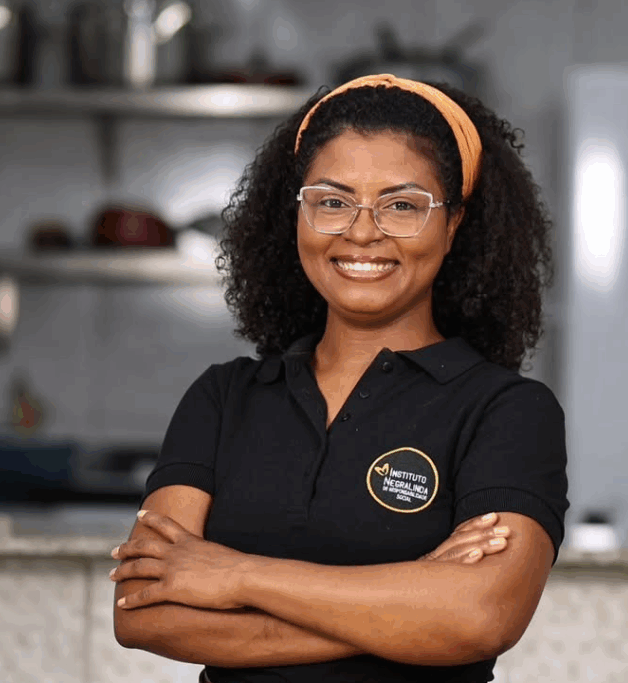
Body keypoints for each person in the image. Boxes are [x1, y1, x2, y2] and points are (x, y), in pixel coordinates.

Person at [111, 74, 569, 683]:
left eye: (402, 205)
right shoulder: (224, 398)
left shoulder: (508, 412)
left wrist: (235, 574)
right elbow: (142, 613)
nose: (361, 231)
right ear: (297, 213)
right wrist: (408, 606)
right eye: (332, 200)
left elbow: (482, 615)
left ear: (454, 223)